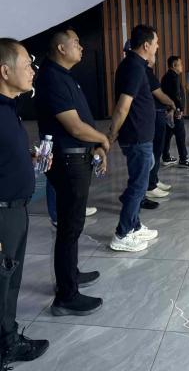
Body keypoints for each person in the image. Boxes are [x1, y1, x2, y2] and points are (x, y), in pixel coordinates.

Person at [36, 28, 109, 317]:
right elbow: (75, 127)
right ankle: (66, 296)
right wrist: (102, 139)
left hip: (77, 157)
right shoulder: (52, 78)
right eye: (76, 42)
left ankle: (71, 274)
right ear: (61, 48)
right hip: (68, 161)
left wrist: (96, 146)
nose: (81, 46)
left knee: (72, 225)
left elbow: (81, 122)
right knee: (69, 226)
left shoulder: (63, 76)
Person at [0, 38, 49, 369]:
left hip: (16, 210)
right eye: (27, 65)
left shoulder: (9, 109)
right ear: (5, 71)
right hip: (2, 215)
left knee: (10, 281)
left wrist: (27, 158)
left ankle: (8, 341)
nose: (33, 71)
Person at [108, 25, 159, 252]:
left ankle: (135, 225)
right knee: (138, 186)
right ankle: (123, 233)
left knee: (140, 182)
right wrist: (111, 134)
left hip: (140, 136)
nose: (157, 47)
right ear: (146, 45)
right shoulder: (134, 67)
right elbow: (123, 106)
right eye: (155, 43)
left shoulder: (134, 64)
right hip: (137, 137)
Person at [145, 60, 176, 200]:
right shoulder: (144, 71)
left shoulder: (148, 72)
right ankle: (150, 186)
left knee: (157, 150)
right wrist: (172, 103)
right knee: (154, 150)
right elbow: (159, 94)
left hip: (158, 114)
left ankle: (154, 180)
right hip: (154, 115)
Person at [161, 56, 189, 168]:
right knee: (180, 134)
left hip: (168, 111)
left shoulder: (166, 76)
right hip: (174, 111)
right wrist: (179, 109)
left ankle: (166, 156)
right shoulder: (174, 77)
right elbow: (176, 95)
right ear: (174, 65)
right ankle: (183, 158)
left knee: (168, 134)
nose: (182, 66)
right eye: (180, 64)